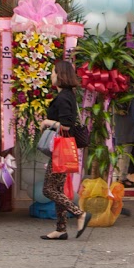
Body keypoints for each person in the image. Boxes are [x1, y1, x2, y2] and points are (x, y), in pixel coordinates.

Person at [38, 59, 87, 241]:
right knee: (57, 187)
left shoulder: (64, 97)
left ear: (60, 75)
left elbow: (66, 125)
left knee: (48, 189)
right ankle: (61, 229)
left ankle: (79, 213)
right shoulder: (67, 95)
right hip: (61, 147)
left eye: (53, 72)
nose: (51, 76)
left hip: (62, 148)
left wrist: (47, 122)